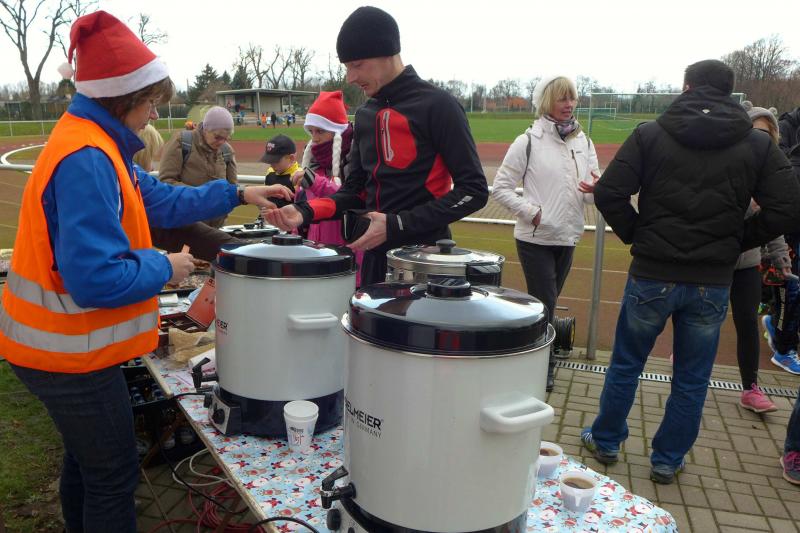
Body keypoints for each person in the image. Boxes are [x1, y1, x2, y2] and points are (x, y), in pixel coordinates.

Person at [0, 12, 291, 532]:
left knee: (87, 464)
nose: (155, 113)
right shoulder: (87, 157)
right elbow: (94, 279)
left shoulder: (97, 142)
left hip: (65, 347)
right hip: (66, 355)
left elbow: (160, 198)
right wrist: (164, 265)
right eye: (151, 102)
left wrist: (239, 192)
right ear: (123, 98)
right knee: (112, 473)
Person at [579, 59, 800, 485]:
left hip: (652, 273)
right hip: (710, 281)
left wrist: (637, 234)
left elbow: (609, 192)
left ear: (686, 87)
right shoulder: (755, 144)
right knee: (692, 377)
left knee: (626, 363)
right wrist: (738, 240)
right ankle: (667, 459)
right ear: (730, 93)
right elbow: (788, 207)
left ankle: (606, 440)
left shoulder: (650, 134)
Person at [265, 6, 488, 286]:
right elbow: (355, 192)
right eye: (347, 67)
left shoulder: (439, 105)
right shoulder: (365, 115)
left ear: (387, 52)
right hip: (373, 259)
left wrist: (397, 225)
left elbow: (474, 190)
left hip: (426, 262)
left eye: (357, 65)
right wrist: (304, 212)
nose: (350, 77)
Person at [492, 75, 599, 392]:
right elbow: (501, 188)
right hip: (535, 238)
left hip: (568, 235)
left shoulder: (584, 142)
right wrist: (532, 213)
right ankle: (543, 364)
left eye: (572, 98)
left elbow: (590, 194)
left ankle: (534, 354)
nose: (569, 104)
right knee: (545, 302)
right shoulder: (527, 141)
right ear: (546, 102)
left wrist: (597, 189)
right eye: (561, 98)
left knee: (548, 303)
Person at [729, 102, 792, 413]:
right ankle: (685, 366)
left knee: (747, 323)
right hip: (713, 263)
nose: (760, 139)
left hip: (748, 263)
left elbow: (774, 222)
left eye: (766, 134)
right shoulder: (725, 166)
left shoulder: (769, 178)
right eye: (755, 132)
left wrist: (780, 257)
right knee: (700, 322)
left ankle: (750, 388)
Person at [763, 107, 800, 374]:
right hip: (789, 234)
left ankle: (778, 329)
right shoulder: (786, 134)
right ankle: (784, 349)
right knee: (792, 290)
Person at [158, 106, 238, 228]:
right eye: (218, 137)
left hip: (216, 227)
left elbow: (232, 189)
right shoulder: (182, 142)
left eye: (226, 138)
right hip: (185, 226)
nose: (222, 142)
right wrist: (203, 197)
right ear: (205, 129)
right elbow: (166, 182)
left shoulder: (226, 151)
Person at [261, 133, 300, 208]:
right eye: (269, 160)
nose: (271, 164)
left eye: (275, 161)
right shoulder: (270, 172)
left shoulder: (299, 177)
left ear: (291, 158)